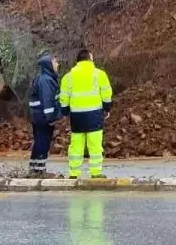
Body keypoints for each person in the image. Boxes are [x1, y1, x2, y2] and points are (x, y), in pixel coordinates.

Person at [59, 48, 113, 179]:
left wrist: (65, 111)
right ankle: (95, 173)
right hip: (94, 115)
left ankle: (74, 173)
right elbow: (106, 93)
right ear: (90, 59)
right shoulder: (99, 74)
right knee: (95, 145)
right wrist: (107, 108)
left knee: (76, 145)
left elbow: (64, 97)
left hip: (76, 116)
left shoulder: (68, 77)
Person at [27, 52, 61, 176]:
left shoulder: (42, 78)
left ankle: (34, 168)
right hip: (43, 117)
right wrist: (51, 118)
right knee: (43, 141)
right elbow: (48, 101)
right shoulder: (46, 80)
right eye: (55, 62)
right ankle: (40, 170)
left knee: (39, 140)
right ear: (49, 65)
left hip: (37, 116)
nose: (57, 64)